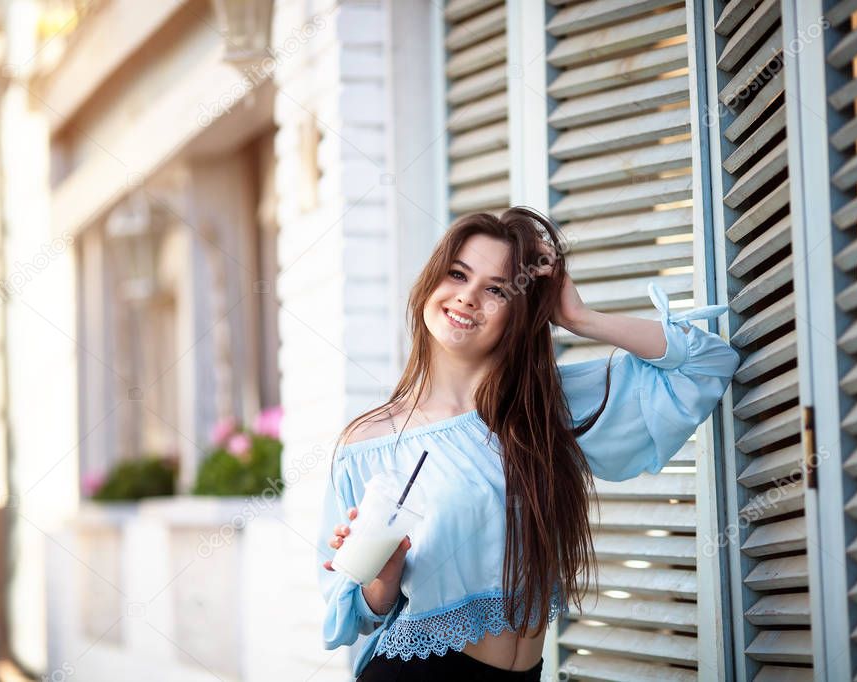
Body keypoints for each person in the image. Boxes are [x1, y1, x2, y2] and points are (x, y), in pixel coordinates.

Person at [316, 206, 740, 681]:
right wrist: (385, 575)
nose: (468, 297)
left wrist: (577, 317)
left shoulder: (544, 410)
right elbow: (352, 613)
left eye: (496, 288)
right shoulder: (369, 445)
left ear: (518, 309)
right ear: (430, 283)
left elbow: (706, 364)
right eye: (457, 274)